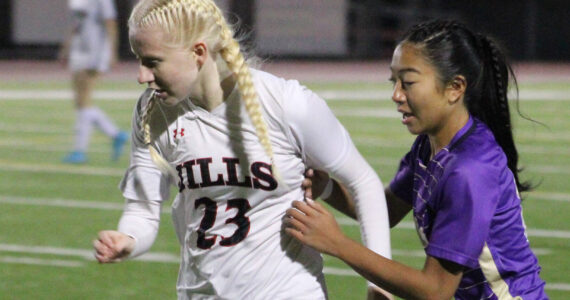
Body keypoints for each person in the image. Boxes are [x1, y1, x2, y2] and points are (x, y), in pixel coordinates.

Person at [92, 0, 391, 299]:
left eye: (152, 61)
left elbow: (363, 182)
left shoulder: (286, 103)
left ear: (198, 52)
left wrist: (379, 284)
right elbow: (142, 210)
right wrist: (127, 239)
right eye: (138, 60)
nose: (141, 76)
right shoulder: (152, 111)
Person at [285, 19, 548, 299]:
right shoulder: (430, 146)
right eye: (394, 81)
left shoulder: (470, 169)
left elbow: (435, 290)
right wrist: (327, 188)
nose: (396, 94)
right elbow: (384, 210)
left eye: (408, 82)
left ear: (455, 88)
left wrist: (338, 244)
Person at [59, 0, 128, 164]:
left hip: (95, 52)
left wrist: (112, 52)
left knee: (84, 100)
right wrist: (67, 47)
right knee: (80, 102)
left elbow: (110, 23)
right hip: (79, 50)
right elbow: (77, 24)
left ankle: (79, 151)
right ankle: (116, 135)